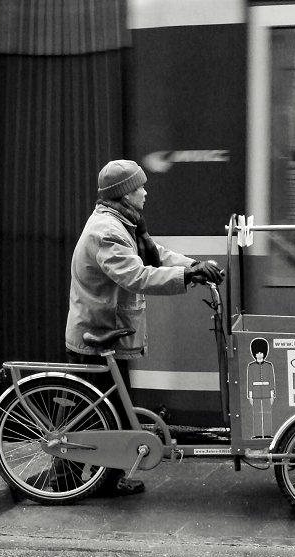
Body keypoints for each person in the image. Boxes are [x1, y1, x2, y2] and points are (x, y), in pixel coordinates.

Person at [64, 159, 223, 496]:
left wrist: (193, 265)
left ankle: (106, 479)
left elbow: (155, 255)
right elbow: (136, 275)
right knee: (92, 417)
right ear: (124, 193)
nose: (146, 192)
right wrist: (188, 276)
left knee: (112, 416)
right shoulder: (106, 232)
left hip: (108, 327)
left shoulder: (125, 224)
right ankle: (62, 478)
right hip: (97, 332)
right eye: (140, 187)